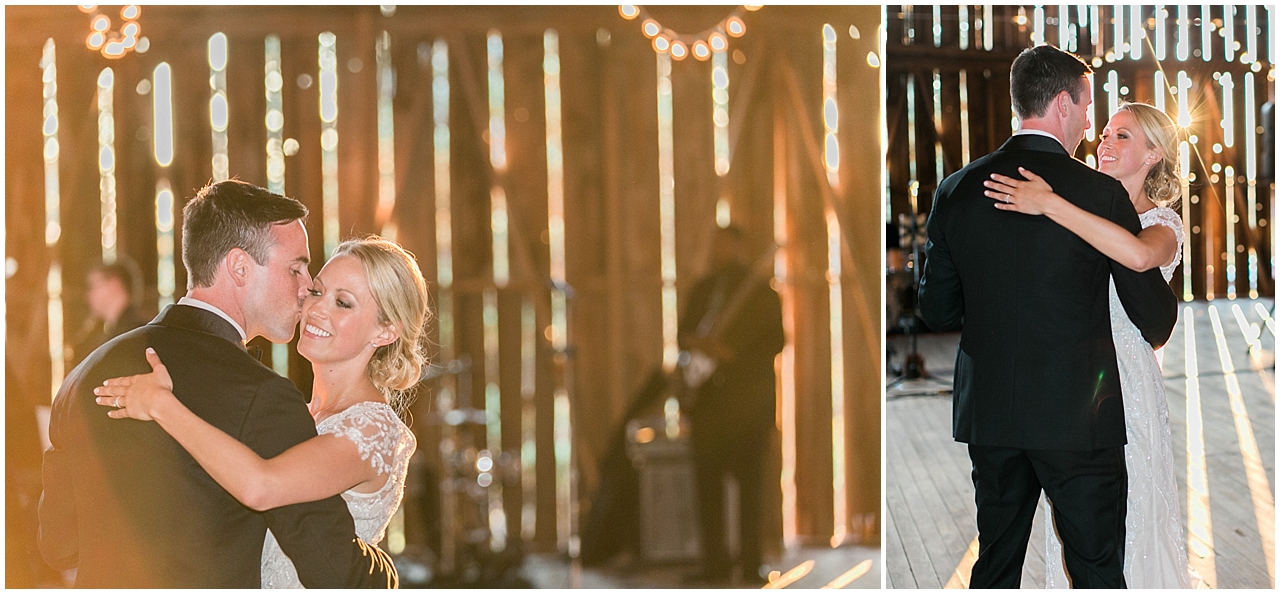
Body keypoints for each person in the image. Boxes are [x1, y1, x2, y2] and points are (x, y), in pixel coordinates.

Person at [37, 180, 398, 588]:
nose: (306, 289)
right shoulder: (265, 397)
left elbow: (59, 545)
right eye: (295, 268)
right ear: (240, 267)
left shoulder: (82, 377)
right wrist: (386, 572)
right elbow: (333, 571)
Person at [916, 45, 1179, 588]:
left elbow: (936, 308)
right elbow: (1154, 319)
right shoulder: (1096, 192)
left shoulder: (957, 189)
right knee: (1096, 566)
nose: (1092, 124)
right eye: (1088, 108)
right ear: (1063, 103)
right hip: (1077, 414)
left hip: (991, 410)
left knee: (996, 565)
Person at [94, 236, 426, 588]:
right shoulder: (299, 412)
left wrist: (162, 406)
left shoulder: (373, 429)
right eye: (316, 291)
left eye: (343, 303)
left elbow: (260, 487)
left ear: (386, 331)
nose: (317, 309)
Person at [983, 102, 1193, 588]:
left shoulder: (1163, 223)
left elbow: (1139, 256)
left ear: (1153, 155)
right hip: (1074, 376)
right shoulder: (1084, 205)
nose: (1104, 143)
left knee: (1133, 503)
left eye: (1122, 136)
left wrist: (1050, 204)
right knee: (1080, 520)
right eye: (1104, 133)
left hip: (1127, 376)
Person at [678, 225, 785, 586]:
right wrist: (699, 344)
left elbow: (775, 342)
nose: (718, 251)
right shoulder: (702, 291)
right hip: (709, 405)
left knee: (751, 488)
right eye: (715, 245)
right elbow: (683, 335)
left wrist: (732, 355)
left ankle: (751, 562)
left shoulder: (762, 295)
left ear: (739, 247)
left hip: (749, 406)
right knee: (707, 488)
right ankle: (714, 564)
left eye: (725, 245)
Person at [69, 258, 148, 368]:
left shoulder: (132, 335)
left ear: (114, 284)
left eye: (93, 286)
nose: (88, 296)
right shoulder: (119, 332)